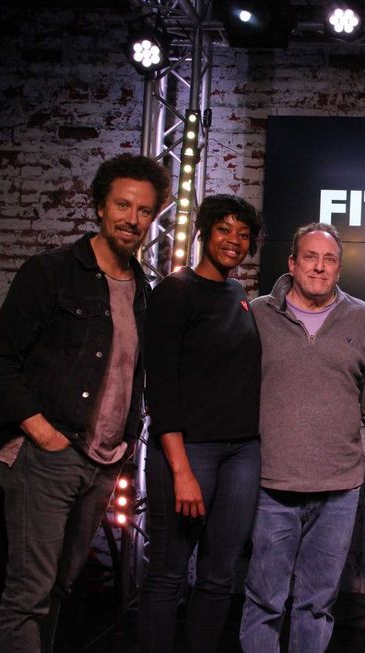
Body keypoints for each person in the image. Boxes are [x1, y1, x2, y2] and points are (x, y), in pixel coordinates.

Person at [0, 153, 170, 652]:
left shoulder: (143, 291)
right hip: (48, 455)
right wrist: (43, 434)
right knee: (29, 595)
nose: (132, 219)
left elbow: (134, 375)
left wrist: (127, 441)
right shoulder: (52, 272)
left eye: (144, 210)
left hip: (103, 462)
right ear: (100, 207)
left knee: (60, 586)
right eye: (123, 205)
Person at [239, 223, 365, 653]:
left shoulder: (362, 318)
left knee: (317, 605)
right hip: (272, 485)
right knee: (264, 600)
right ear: (292, 262)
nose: (319, 267)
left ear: (339, 268)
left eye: (329, 259)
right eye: (310, 257)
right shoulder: (258, 315)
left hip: (339, 490)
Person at [137, 195, 264, 652]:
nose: (234, 241)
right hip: (190, 452)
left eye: (243, 234)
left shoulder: (238, 294)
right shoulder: (175, 291)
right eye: (224, 229)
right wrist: (181, 471)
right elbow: (161, 388)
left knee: (218, 576)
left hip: (242, 452)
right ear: (205, 232)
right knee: (167, 574)